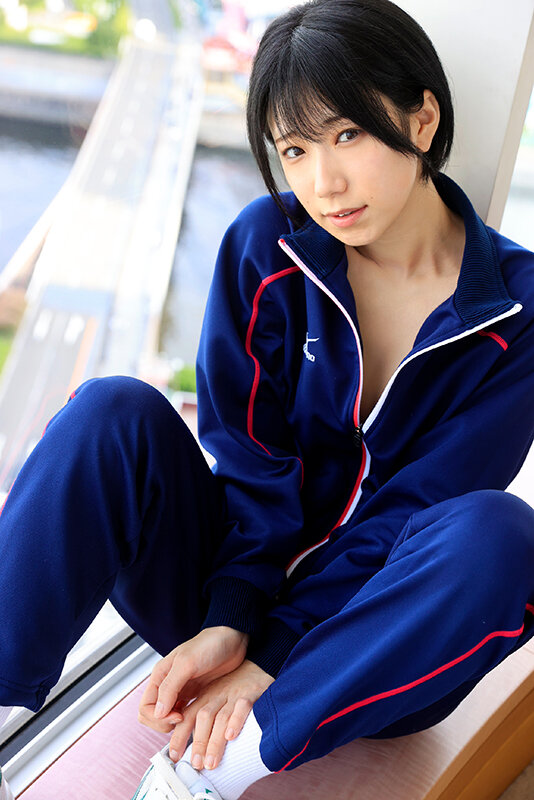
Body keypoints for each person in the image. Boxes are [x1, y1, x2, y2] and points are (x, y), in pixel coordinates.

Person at [1, 1, 534, 799]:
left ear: (422, 120)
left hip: (368, 647)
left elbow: (418, 506)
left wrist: (272, 659)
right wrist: (231, 617)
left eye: (347, 134)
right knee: (110, 413)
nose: (323, 182)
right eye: (295, 149)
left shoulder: (517, 312)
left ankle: (205, 776)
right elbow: (250, 460)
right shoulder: (268, 247)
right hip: (224, 596)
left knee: (502, 535)